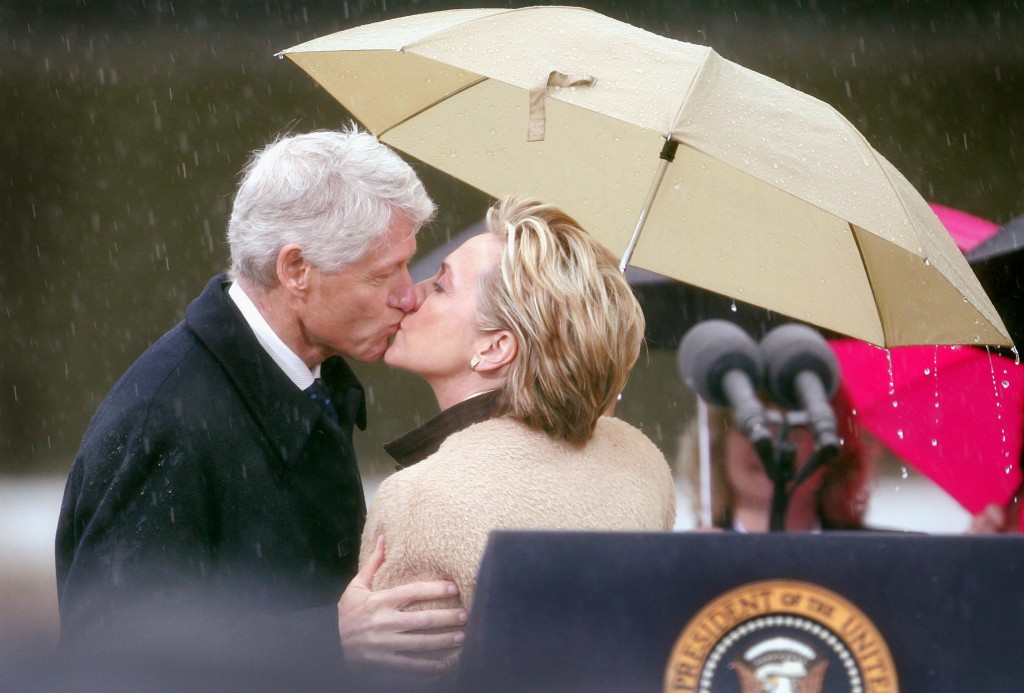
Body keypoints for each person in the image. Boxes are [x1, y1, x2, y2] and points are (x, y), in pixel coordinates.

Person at [54, 127, 467, 685]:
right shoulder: (164, 419)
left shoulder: (304, 377)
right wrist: (328, 637)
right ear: (296, 269)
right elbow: (109, 655)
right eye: (382, 273)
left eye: (408, 265)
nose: (409, 294)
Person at [359, 196, 677, 675]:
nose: (411, 294)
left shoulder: (422, 499)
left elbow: (393, 683)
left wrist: (337, 647)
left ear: (495, 348)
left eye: (441, 286)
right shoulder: (640, 461)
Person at [679, 386, 880, 532]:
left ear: (834, 451)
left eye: (796, 424)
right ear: (717, 445)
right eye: (750, 424)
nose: (773, 441)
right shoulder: (681, 563)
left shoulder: (882, 561)